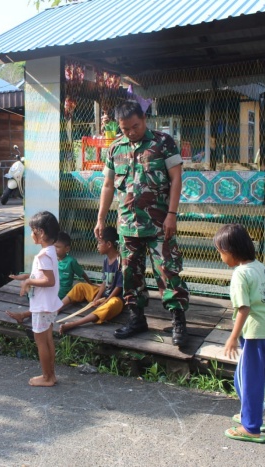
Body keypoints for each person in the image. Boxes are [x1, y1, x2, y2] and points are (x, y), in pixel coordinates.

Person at [94, 99, 190, 346]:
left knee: (168, 271)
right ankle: (137, 318)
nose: (130, 132)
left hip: (160, 223)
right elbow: (107, 185)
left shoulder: (163, 142)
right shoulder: (115, 148)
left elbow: (176, 179)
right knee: (129, 274)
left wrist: (172, 214)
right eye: (125, 128)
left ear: (143, 119)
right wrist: (101, 218)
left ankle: (178, 321)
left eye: (134, 126)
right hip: (127, 224)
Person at [214, 224, 265, 444]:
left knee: (250, 380)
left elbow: (243, 308)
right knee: (248, 378)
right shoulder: (259, 267)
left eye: (220, 252)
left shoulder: (240, 274)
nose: (220, 256)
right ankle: (250, 415)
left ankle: (251, 428)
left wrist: (233, 337)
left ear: (231, 251)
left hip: (255, 335)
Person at [5, 211, 62, 387]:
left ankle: (46, 377)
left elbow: (48, 280)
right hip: (50, 305)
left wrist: (29, 281)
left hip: (42, 306)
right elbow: (43, 275)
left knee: (41, 342)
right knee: (48, 339)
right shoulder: (50, 251)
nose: (31, 234)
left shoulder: (43, 255)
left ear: (41, 232)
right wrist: (24, 277)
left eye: (32, 230)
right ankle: (51, 375)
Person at [58, 226, 123, 334]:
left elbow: (119, 287)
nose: (97, 246)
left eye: (99, 243)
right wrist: (96, 298)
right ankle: (57, 307)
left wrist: (105, 301)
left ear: (109, 244)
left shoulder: (120, 261)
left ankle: (74, 324)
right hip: (105, 294)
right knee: (80, 287)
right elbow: (104, 282)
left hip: (116, 297)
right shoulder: (106, 260)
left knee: (110, 306)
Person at [55, 231, 92, 300]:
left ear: (67, 249)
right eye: (53, 246)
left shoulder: (71, 261)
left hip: (64, 292)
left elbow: (82, 273)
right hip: (53, 288)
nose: (55, 249)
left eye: (58, 247)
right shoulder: (52, 259)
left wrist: (90, 284)